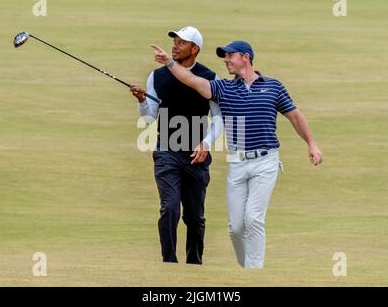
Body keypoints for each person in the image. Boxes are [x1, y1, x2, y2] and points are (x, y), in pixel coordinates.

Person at [151, 40, 323, 269]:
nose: (226, 60)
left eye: (230, 56)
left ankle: (254, 274)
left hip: (266, 160)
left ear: (245, 57)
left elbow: (295, 116)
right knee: (236, 228)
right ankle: (245, 271)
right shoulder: (224, 88)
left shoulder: (273, 87)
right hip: (237, 163)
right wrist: (170, 63)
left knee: (253, 219)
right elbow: (192, 80)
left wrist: (311, 143)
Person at [130, 27, 223, 264]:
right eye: (175, 41)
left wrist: (206, 143)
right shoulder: (157, 77)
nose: (175, 45)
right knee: (170, 209)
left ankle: (194, 263)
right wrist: (142, 100)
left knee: (194, 217)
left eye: (182, 43)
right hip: (166, 151)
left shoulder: (210, 78)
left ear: (195, 49)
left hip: (196, 155)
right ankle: (169, 263)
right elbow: (149, 119)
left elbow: (220, 118)